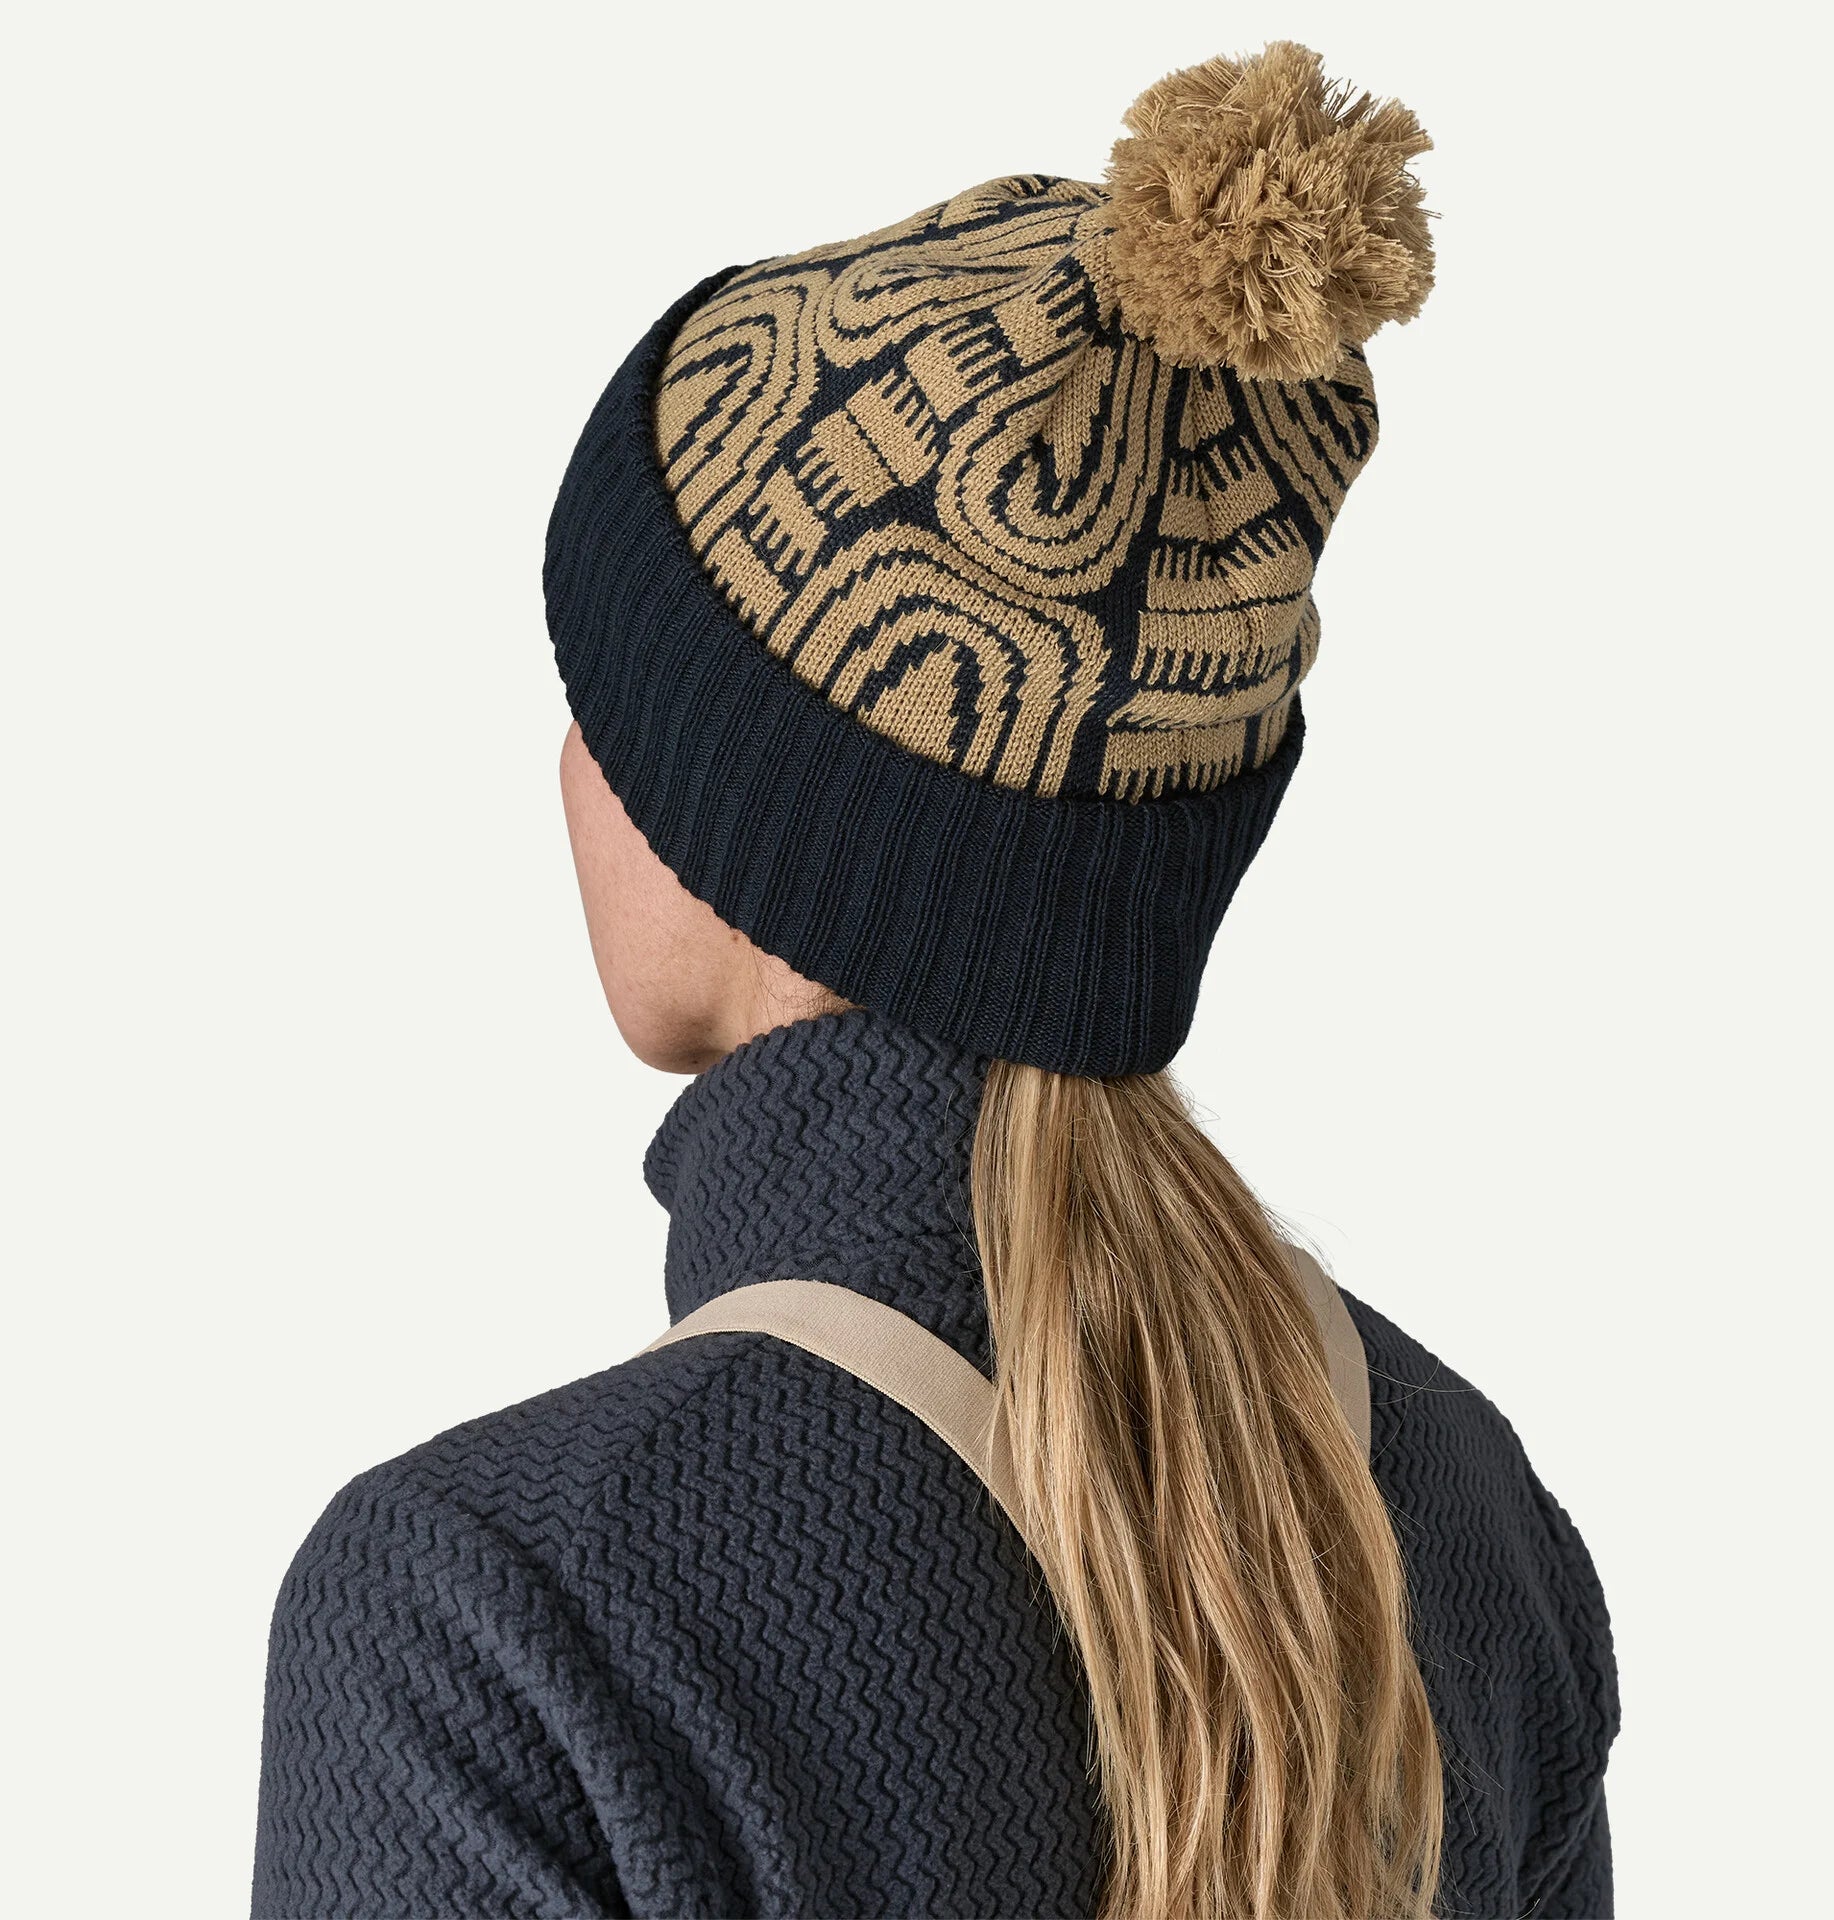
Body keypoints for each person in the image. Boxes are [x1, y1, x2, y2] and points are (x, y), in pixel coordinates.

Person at [251, 41, 1618, 1920]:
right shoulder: (1460, 1513)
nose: (568, 766)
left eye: (606, 699)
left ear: (742, 824)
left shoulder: (491, 1622)